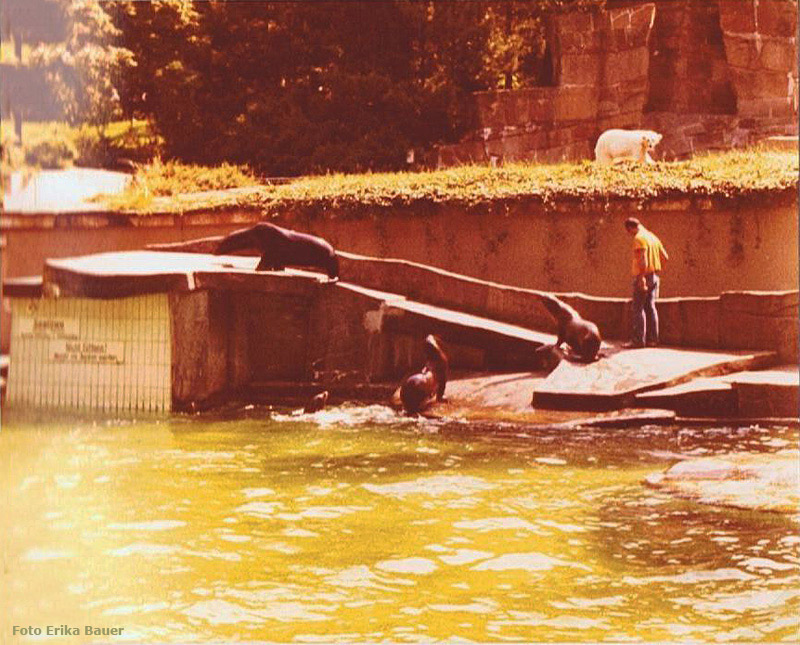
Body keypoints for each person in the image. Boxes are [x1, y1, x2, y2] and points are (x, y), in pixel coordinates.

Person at [624, 217, 668, 348]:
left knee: (637, 308)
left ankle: (638, 341)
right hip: (654, 276)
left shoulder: (639, 238)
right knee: (650, 307)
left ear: (630, 228)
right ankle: (653, 339)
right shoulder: (652, 237)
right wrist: (654, 271)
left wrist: (642, 278)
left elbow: (643, 260)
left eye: (629, 231)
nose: (630, 234)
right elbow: (665, 257)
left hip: (643, 276)